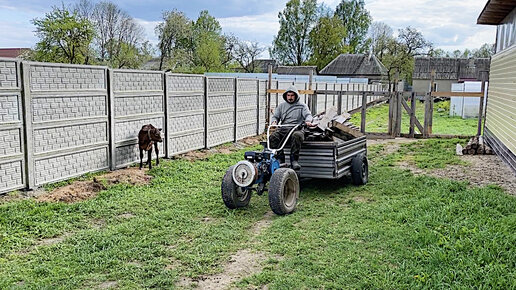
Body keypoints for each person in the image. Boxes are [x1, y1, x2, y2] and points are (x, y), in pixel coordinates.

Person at [270, 86, 315, 170]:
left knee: (297, 136)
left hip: (296, 128)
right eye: (288, 95)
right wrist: (274, 122)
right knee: (273, 137)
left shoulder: (302, 106)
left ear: (296, 96)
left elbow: (308, 115)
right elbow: (275, 116)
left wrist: (308, 121)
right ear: (286, 96)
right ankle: (280, 159)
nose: (290, 97)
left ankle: (294, 160)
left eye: (292, 95)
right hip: (284, 128)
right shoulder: (281, 106)